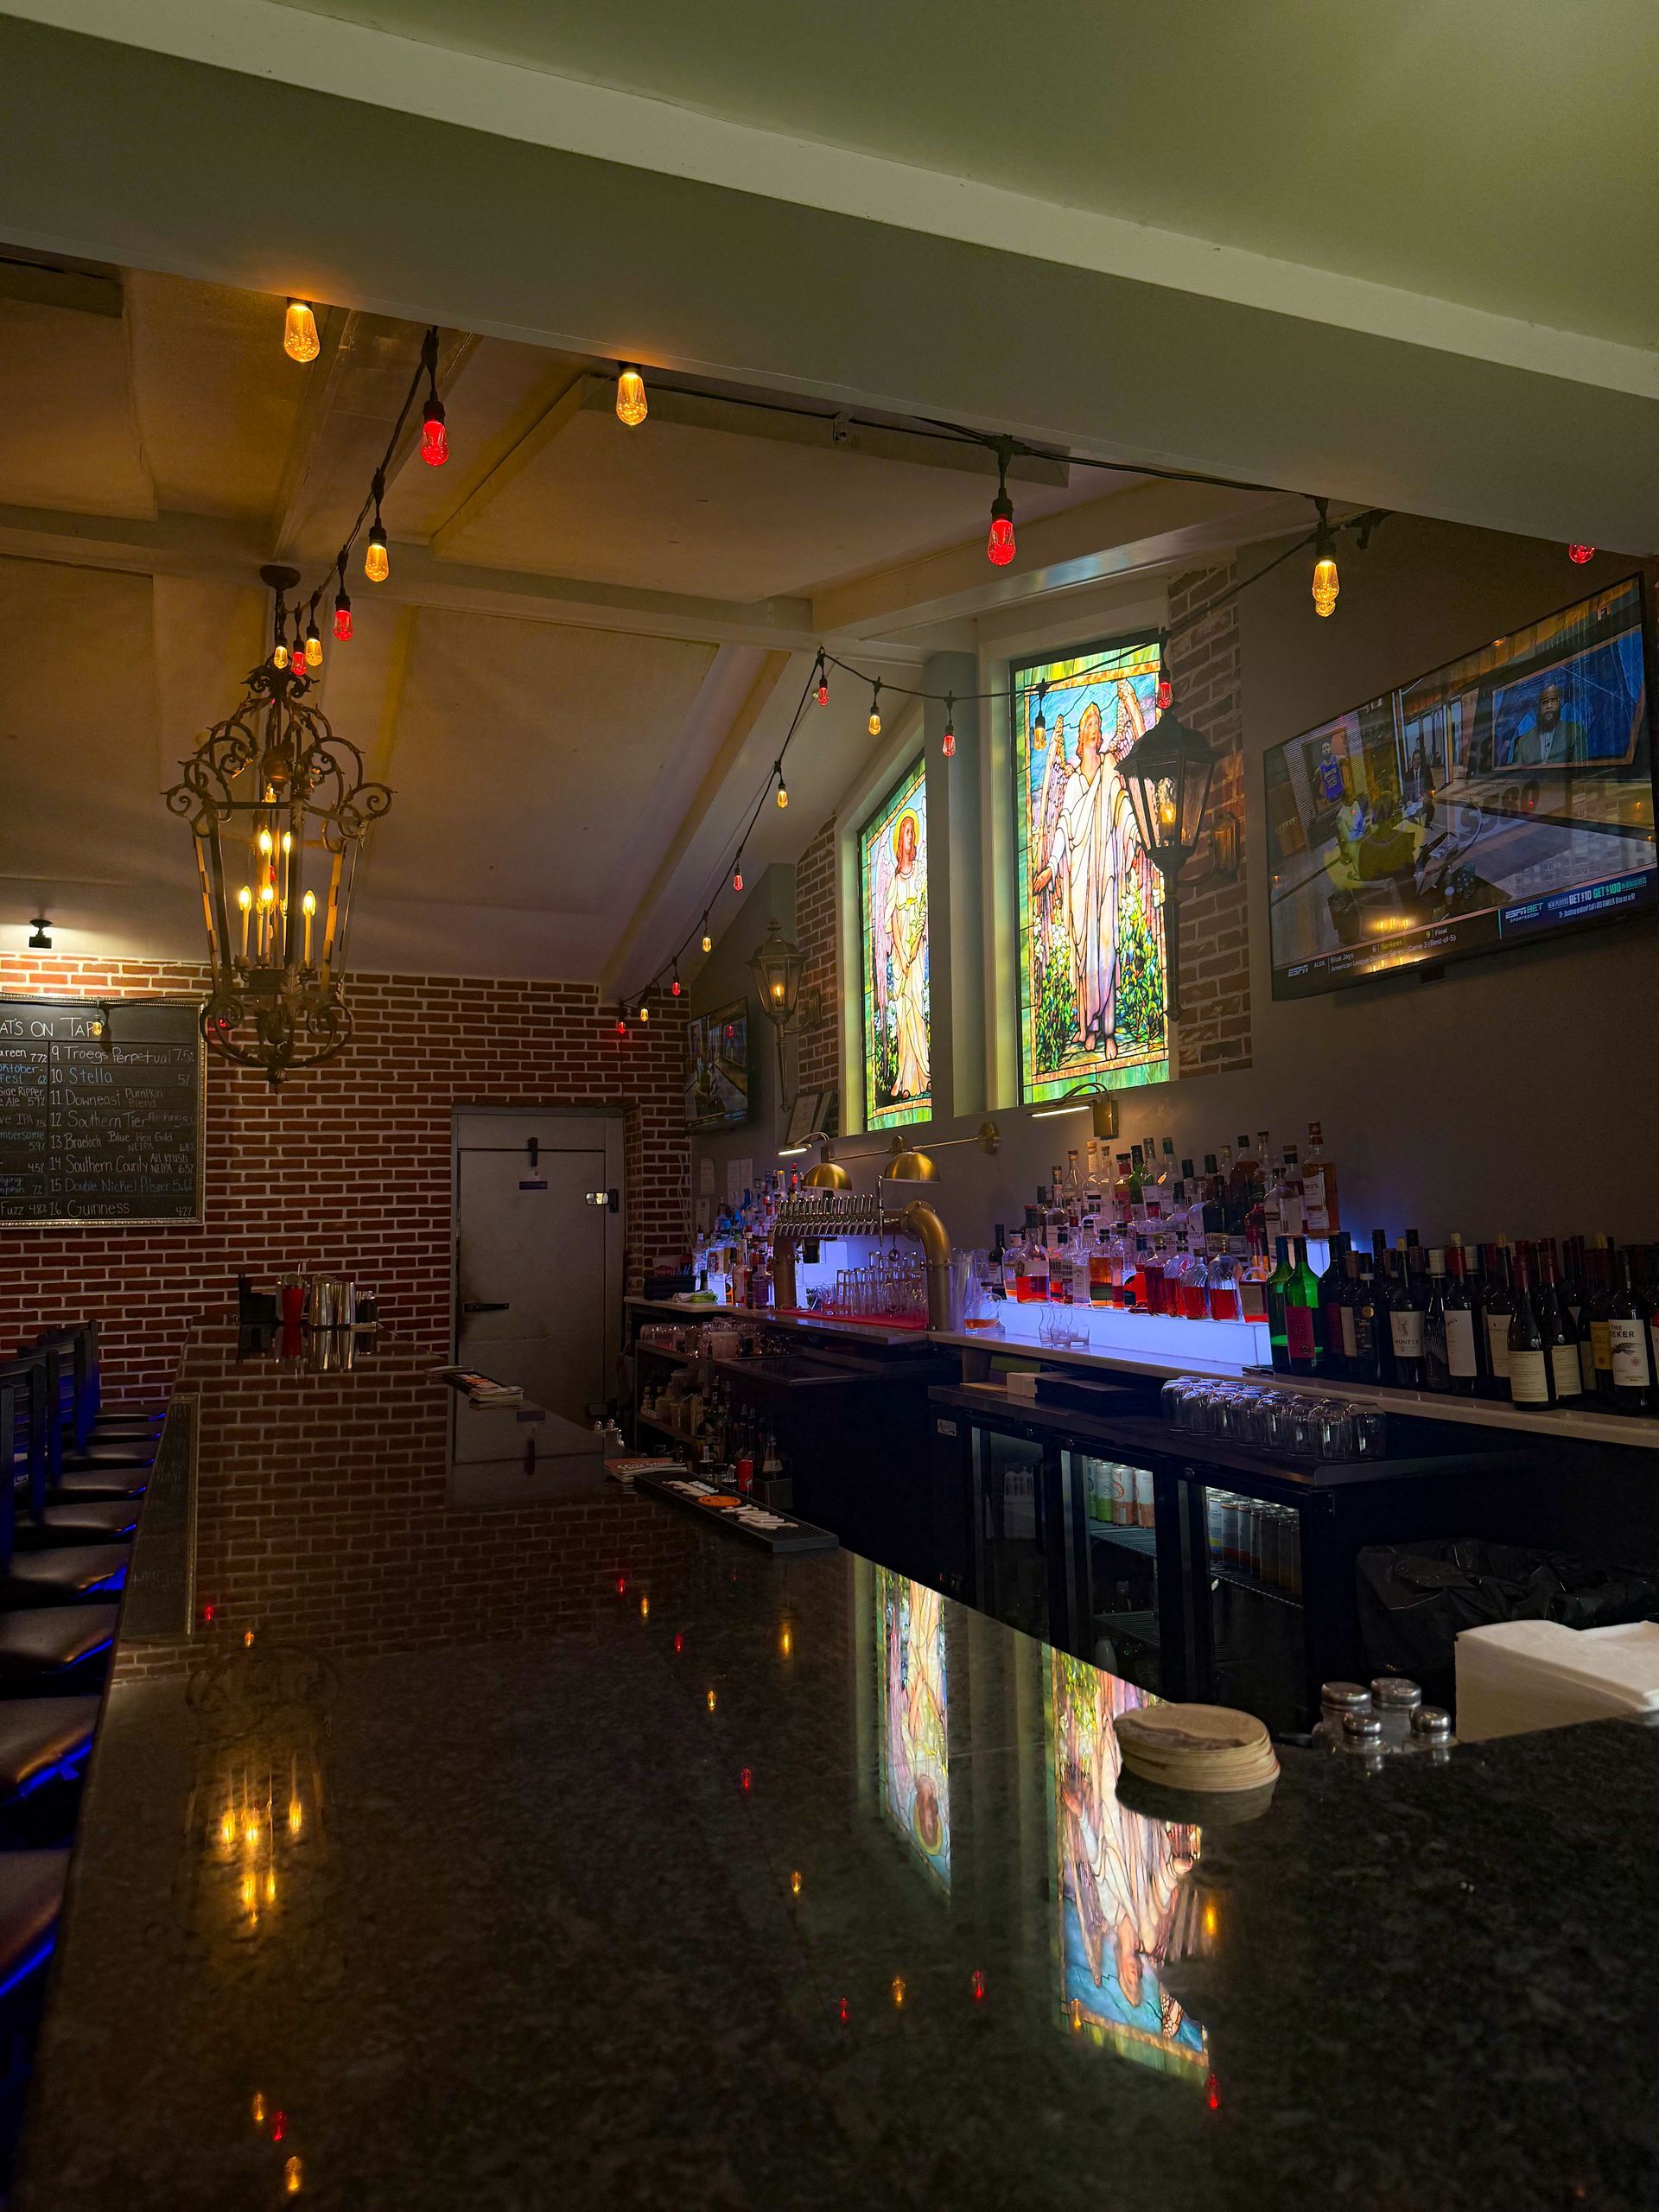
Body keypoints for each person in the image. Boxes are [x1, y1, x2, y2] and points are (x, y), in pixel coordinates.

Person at [883, 810, 928, 1102]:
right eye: (906, 833)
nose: (910, 838)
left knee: (918, 1010)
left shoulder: (922, 872)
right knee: (903, 1017)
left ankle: (922, 1075)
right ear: (900, 840)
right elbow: (893, 922)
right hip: (902, 958)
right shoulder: (895, 882)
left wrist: (914, 948)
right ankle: (904, 1075)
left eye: (913, 832)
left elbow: (923, 912)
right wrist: (901, 951)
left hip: (917, 949)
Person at [1508, 680, 1586, 766]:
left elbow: (1580, 773)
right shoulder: (1522, 742)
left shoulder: (1575, 732)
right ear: (1539, 707)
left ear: (1560, 703)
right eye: (1545, 702)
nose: (1549, 706)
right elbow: (1516, 776)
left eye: (1553, 700)